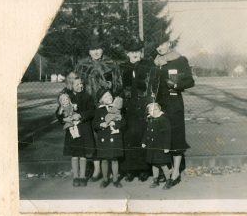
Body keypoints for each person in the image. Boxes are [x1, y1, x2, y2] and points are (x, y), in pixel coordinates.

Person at [75, 33, 122, 182]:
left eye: (98, 49)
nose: (96, 52)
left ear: (102, 50)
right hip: (89, 105)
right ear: (88, 51)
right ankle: (96, 170)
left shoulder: (111, 63)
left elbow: (118, 85)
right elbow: (75, 85)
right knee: (92, 137)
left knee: (107, 135)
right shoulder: (81, 65)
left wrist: (114, 101)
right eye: (92, 49)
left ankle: (111, 172)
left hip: (106, 106)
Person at [153, 38, 195, 189]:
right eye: (157, 45)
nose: (159, 47)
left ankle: (175, 173)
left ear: (169, 44)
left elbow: (190, 81)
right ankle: (167, 170)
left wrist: (177, 85)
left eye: (162, 44)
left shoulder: (180, 60)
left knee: (176, 137)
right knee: (162, 138)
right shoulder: (156, 62)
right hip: (158, 105)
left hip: (174, 103)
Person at [119, 40, 155, 182]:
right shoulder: (122, 67)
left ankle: (143, 169)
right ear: (128, 53)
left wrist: (150, 104)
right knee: (128, 137)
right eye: (132, 52)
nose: (135, 54)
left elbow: (152, 86)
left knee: (143, 137)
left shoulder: (148, 66)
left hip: (143, 105)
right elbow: (118, 86)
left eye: (137, 52)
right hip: (127, 107)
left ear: (141, 52)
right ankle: (129, 169)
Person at [57, 77, 95, 187]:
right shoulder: (67, 97)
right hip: (72, 129)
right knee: (74, 154)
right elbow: (58, 112)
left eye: (81, 84)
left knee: (83, 154)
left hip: (84, 128)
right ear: (71, 86)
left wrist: (81, 115)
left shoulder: (87, 97)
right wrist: (64, 119)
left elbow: (92, 111)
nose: (80, 86)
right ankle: (75, 177)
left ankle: (82, 177)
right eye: (77, 84)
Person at [92, 89, 124, 188]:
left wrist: (116, 123)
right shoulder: (98, 110)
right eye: (106, 97)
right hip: (104, 138)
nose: (109, 98)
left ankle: (115, 179)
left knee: (114, 159)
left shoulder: (117, 108)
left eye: (110, 96)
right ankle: (105, 179)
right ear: (101, 100)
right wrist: (101, 124)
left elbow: (123, 122)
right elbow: (94, 124)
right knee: (104, 160)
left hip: (114, 137)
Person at [142, 103, 172, 189]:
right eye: (151, 110)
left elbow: (167, 134)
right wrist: (144, 141)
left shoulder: (163, 119)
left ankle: (168, 180)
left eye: (155, 109)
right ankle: (155, 180)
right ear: (148, 112)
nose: (153, 111)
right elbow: (147, 132)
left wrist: (166, 147)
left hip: (160, 146)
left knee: (162, 164)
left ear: (159, 109)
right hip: (152, 146)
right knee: (154, 164)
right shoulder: (150, 119)